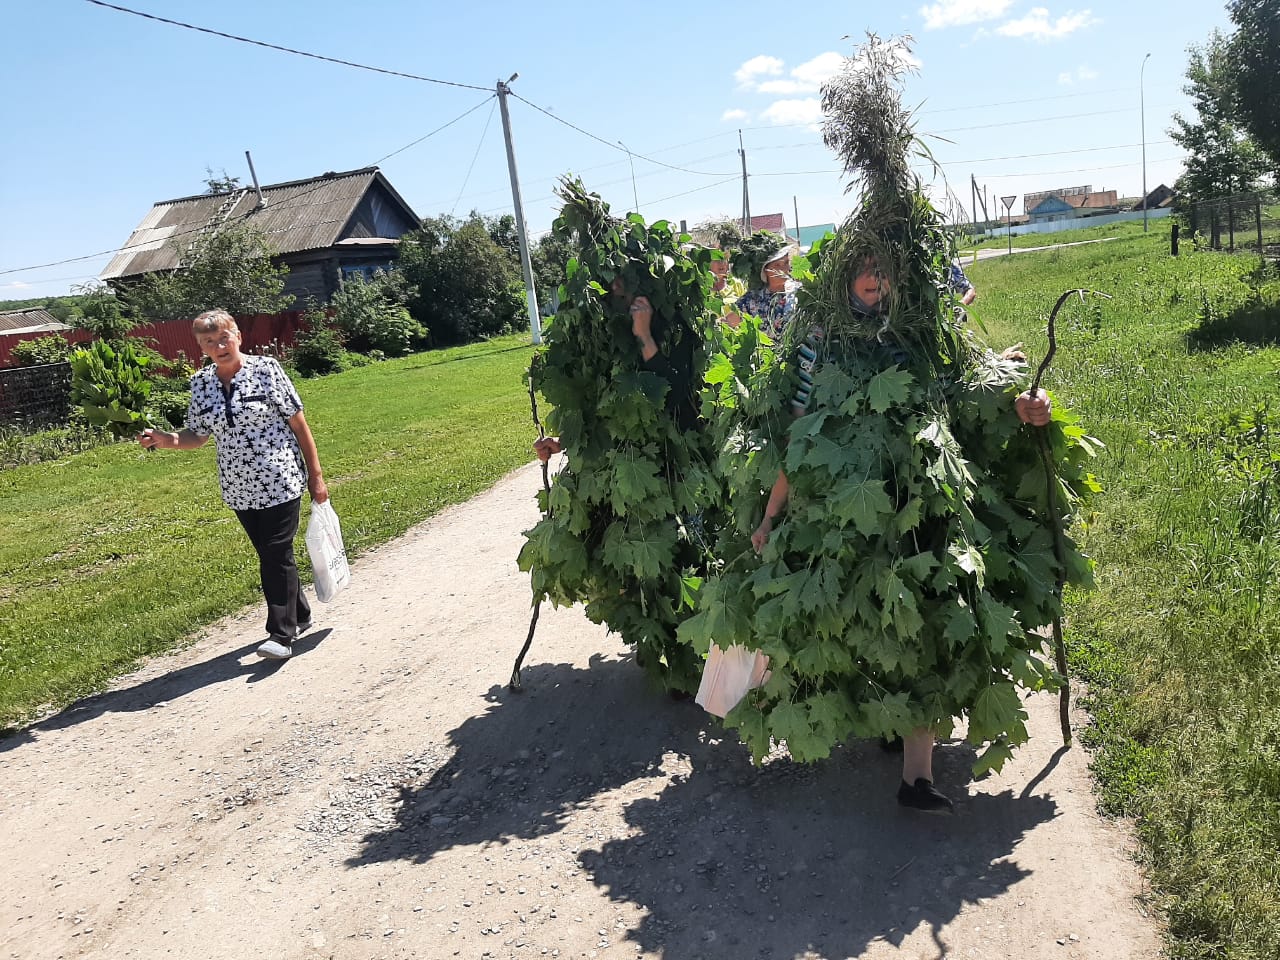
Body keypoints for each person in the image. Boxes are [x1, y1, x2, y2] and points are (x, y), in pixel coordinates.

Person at [749, 254, 1050, 813]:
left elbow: (968, 387)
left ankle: (916, 776)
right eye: (863, 265)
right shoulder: (820, 337)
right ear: (844, 276)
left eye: (884, 267)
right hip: (846, 500)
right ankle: (887, 716)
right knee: (862, 617)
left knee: (925, 611)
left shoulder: (920, 327)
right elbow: (799, 426)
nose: (874, 275)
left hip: (921, 492)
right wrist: (771, 515)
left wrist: (1023, 401)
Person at [138, 309, 328, 660]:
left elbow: (299, 424)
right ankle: (299, 614)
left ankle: (281, 635)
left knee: (274, 551)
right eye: (210, 341)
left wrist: (315, 476)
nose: (219, 345)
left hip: (279, 478)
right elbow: (197, 435)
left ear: (238, 336)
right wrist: (165, 440)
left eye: (224, 337)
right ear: (202, 347)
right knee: (273, 554)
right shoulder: (201, 383)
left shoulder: (266, 370)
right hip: (237, 486)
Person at [730, 246, 800, 337]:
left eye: (786, 262)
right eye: (777, 265)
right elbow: (729, 323)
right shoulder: (751, 299)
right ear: (766, 271)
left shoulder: (800, 292)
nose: (784, 269)